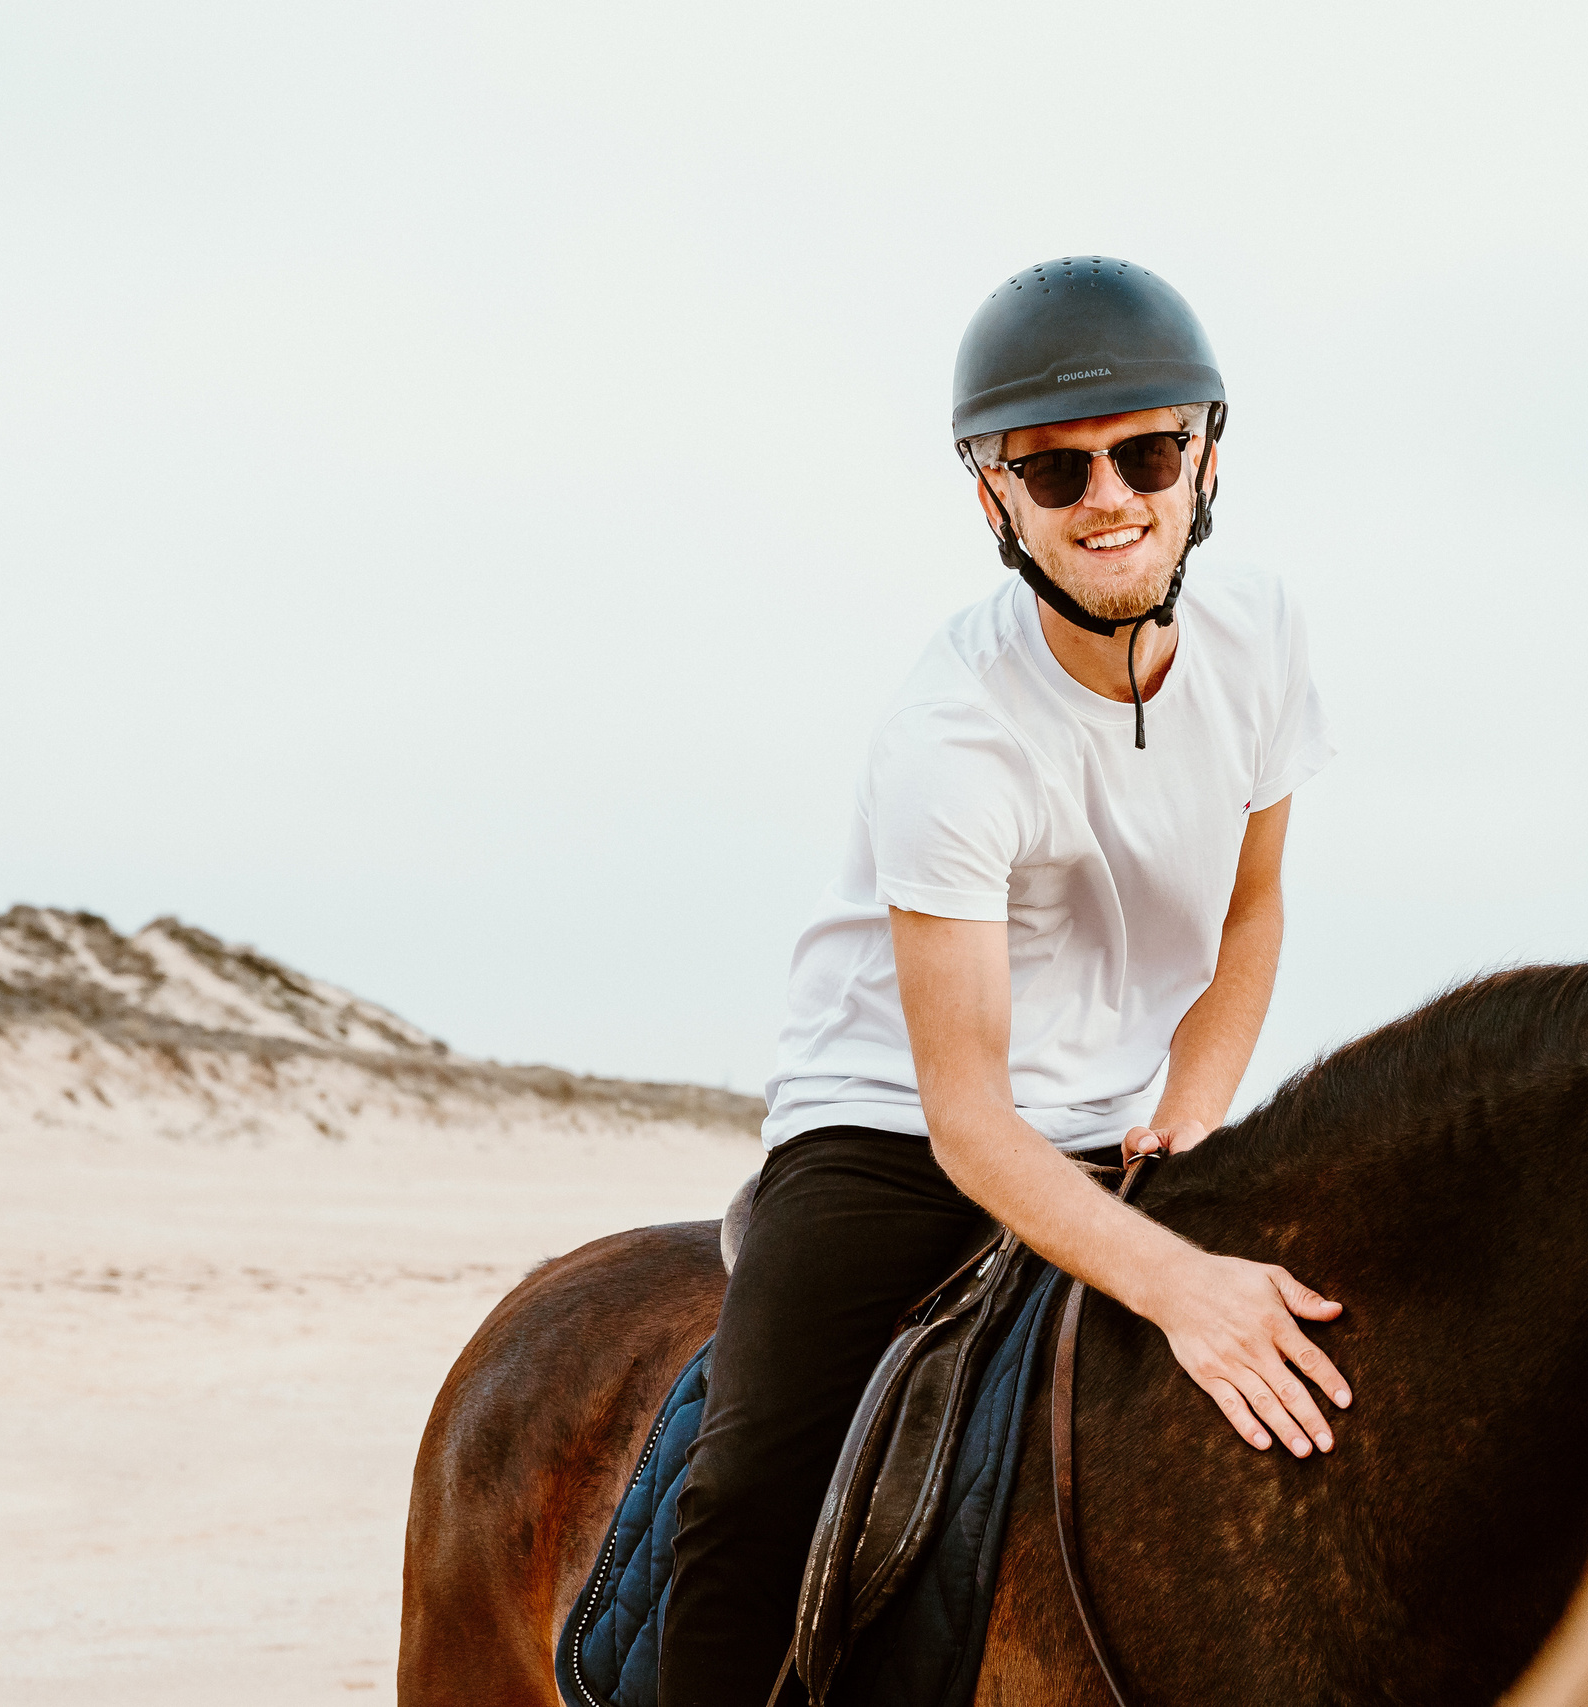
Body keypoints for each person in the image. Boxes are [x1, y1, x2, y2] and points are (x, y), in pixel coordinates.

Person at [659, 256, 1349, 1707]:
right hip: (892, 1127)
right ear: (996, 497)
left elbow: (1253, 908)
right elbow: (968, 1121)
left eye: (1146, 453)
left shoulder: (1265, 635)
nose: (1109, 497)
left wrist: (1196, 1109)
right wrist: (1180, 1285)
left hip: (1120, 1114)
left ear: (1203, 457)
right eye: (1054, 468)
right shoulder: (954, 739)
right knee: (747, 1506)